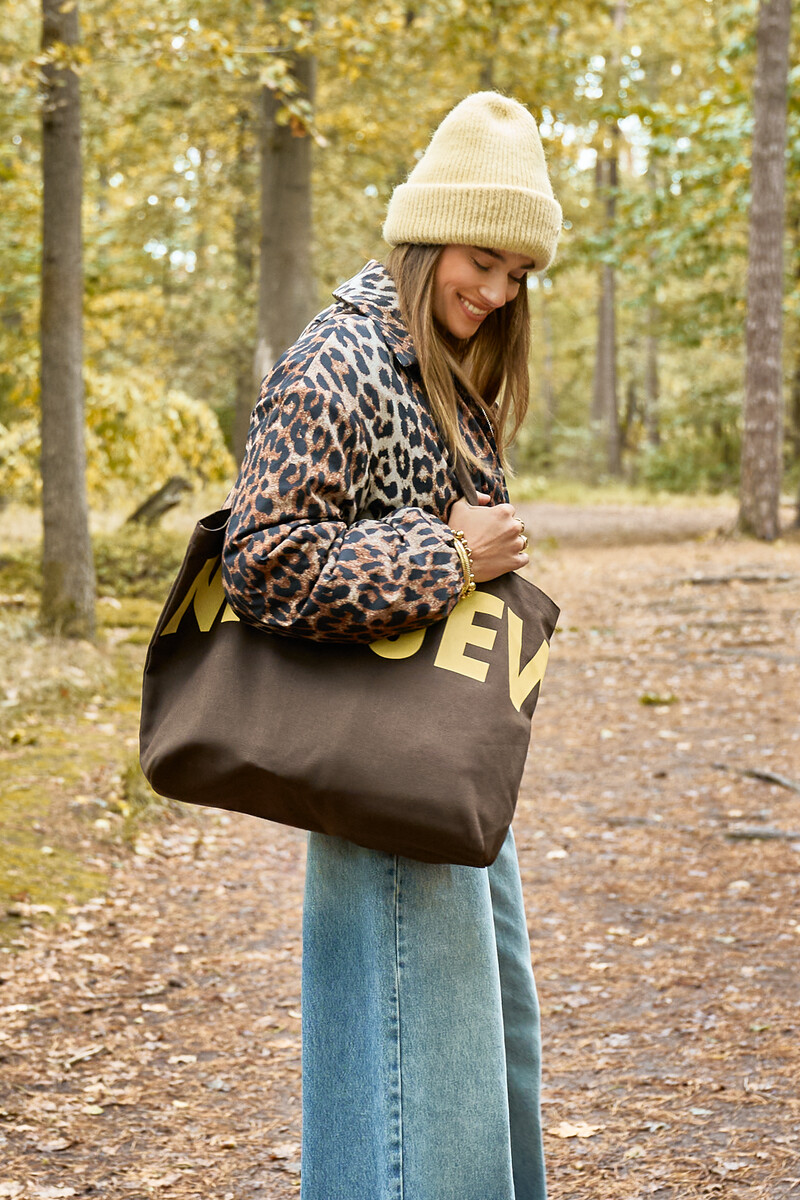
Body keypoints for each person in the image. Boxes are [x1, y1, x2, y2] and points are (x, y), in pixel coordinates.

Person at [221, 91, 562, 1200]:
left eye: (517, 274)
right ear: (425, 237)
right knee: (424, 1068)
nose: (496, 291)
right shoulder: (341, 360)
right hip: (379, 764)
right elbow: (261, 562)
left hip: (445, 753)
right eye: (480, 258)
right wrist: (446, 559)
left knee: (483, 1045)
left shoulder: (437, 366)